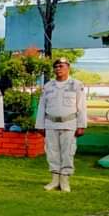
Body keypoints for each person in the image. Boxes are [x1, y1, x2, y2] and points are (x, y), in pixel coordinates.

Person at [35, 57, 87, 192]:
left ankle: (65, 181)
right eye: (56, 67)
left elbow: (81, 107)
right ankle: (54, 180)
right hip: (51, 124)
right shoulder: (48, 86)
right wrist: (40, 125)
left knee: (68, 152)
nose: (58, 69)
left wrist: (81, 125)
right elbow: (42, 107)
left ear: (68, 68)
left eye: (61, 66)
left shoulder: (76, 85)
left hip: (69, 124)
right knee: (52, 152)